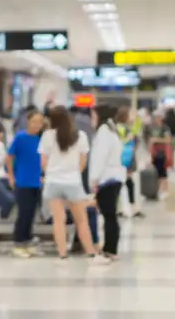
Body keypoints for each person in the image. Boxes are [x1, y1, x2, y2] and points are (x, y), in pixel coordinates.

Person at [39, 106, 108, 263]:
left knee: (58, 220)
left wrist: (52, 173)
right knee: (81, 220)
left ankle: (62, 255)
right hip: (72, 182)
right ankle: (91, 253)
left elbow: (43, 162)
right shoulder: (80, 136)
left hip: (53, 182)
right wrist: (73, 173)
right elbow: (83, 162)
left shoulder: (47, 136)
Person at [89, 105, 126, 261]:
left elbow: (99, 158)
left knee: (109, 215)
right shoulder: (111, 131)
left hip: (106, 179)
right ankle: (110, 248)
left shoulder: (104, 132)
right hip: (115, 177)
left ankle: (110, 249)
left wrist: (93, 180)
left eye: (93, 116)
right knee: (110, 215)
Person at [6, 110, 44, 258]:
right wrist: (11, 175)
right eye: (34, 122)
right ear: (28, 122)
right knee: (23, 213)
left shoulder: (42, 139)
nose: (37, 125)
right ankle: (18, 242)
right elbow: (9, 157)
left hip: (37, 182)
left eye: (40, 122)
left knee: (31, 214)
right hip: (23, 181)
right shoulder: (20, 138)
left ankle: (28, 241)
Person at [116, 107, 144, 219]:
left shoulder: (129, 127)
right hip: (122, 158)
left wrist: (137, 119)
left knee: (128, 182)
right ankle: (121, 208)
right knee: (122, 182)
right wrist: (129, 137)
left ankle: (131, 208)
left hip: (129, 157)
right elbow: (121, 141)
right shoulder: (119, 127)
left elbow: (137, 131)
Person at [148, 111, 171, 198]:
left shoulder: (165, 128)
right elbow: (150, 140)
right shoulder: (152, 128)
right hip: (154, 153)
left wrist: (156, 140)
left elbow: (168, 140)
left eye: (158, 117)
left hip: (162, 152)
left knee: (162, 172)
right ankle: (157, 190)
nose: (156, 119)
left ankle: (164, 190)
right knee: (156, 172)